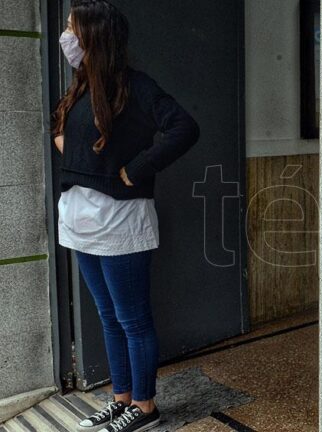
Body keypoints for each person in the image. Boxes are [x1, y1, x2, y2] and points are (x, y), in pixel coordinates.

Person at [51, 1, 200, 431]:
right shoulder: (81, 86)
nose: (66, 37)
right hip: (80, 219)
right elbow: (62, 134)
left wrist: (134, 170)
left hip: (120, 222)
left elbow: (184, 128)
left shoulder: (136, 86)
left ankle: (146, 407)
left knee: (133, 319)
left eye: (71, 29)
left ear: (94, 36)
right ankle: (120, 400)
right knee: (108, 316)